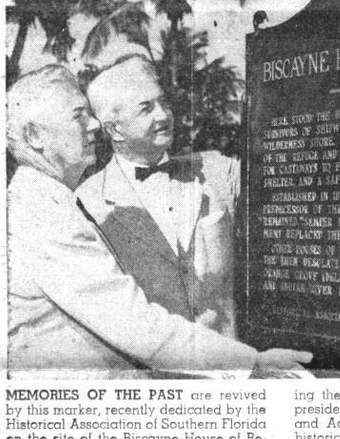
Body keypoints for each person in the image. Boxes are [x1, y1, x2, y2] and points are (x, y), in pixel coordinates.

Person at [7, 65, 312, 378]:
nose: (94, 124)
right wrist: (251, 363)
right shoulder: (46, 214)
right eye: (77, 116)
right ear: (34, 136)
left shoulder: (44, 202)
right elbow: (131, 321)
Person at [77, 56, 239, 337]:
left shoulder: (218, 169)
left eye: (163, 102)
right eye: (146, 109)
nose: (163, 115)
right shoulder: (87, 202)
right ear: (115, 129)